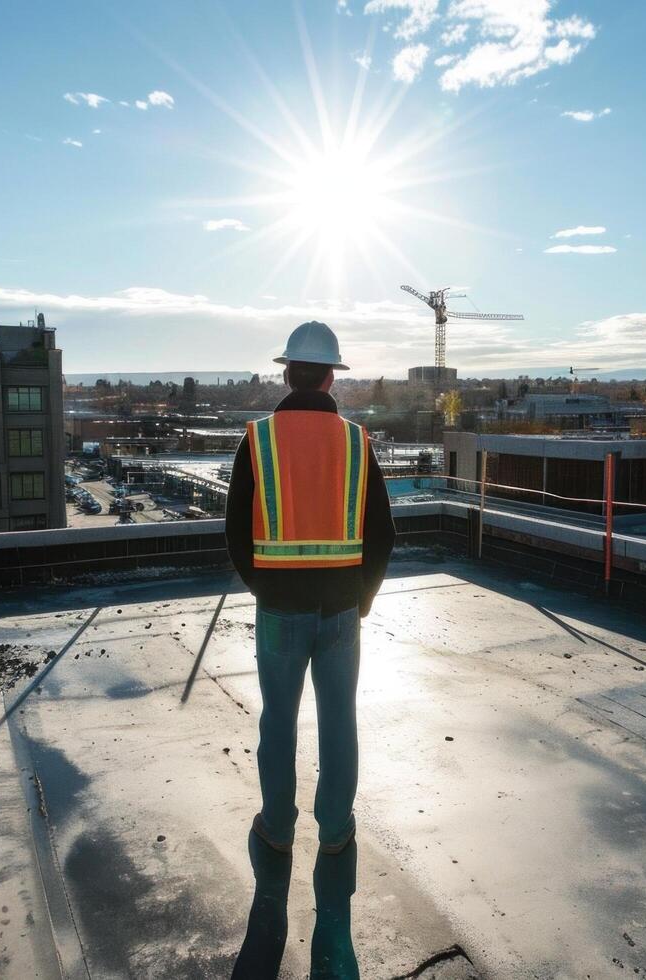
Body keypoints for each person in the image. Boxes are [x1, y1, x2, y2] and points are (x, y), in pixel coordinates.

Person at [226, 321, 395, 980]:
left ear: (286, 373)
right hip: (338, 612)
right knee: (339, 725)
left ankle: (275, 825)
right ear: (329, 377)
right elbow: (381, 535)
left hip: (278, 612)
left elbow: (236, 535)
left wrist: (266, 585)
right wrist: (361, 599)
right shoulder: (357, 443)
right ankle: (334, 831)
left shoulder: (258, 440)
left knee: (276, 722)